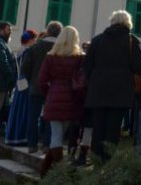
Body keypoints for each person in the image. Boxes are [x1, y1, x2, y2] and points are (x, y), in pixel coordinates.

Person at [83, 10, 141, 163]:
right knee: (113, 127)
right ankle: (107, 159)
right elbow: (140, 66)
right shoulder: (132, 41)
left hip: (98, 89)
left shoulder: (97, 40)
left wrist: (95, 78)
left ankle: (96, 156)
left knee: (98, 126)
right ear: (128, 23)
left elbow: (86, 65)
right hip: (121, 90)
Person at [38, 26, 86, 176]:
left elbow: (41, 81)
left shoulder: (50, 57)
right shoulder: (79, 58)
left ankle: (48, 172)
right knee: (60, 135)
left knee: (56, 135)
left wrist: (49, 94)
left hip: (54, 97)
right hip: (72, 99)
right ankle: (55, 171)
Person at [22, 20, 62, 153]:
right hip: (54, 88)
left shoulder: (35, 47)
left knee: (33, 117)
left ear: (48, 31)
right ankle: (47, 144)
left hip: (36, 86)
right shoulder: (61, 49)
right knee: (50, 117)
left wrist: (32, 80)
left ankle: (32, 145)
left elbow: (25, 68)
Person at [5, 29, 37, 145]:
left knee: (17, 107)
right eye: (35, 39)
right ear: (31, 40)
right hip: (25, 81)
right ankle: (20, 136)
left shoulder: (20, 50)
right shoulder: (28, 51)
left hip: (20, 80)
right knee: (23, 108)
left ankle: (13, 136)